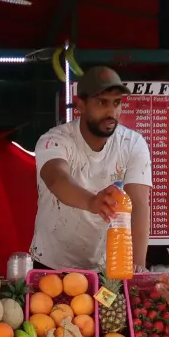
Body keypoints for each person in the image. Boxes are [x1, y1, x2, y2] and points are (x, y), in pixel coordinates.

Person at [30, 66, 151, 272]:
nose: (111, 112)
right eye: (101, 102)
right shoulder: (54, 140)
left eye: (117, 103)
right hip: (52, 264)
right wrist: (92, 201)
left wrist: (138, 266)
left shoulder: (133, 143)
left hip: (107, 268)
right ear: (81, 105)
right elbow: (57, 179)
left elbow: (139, 205)